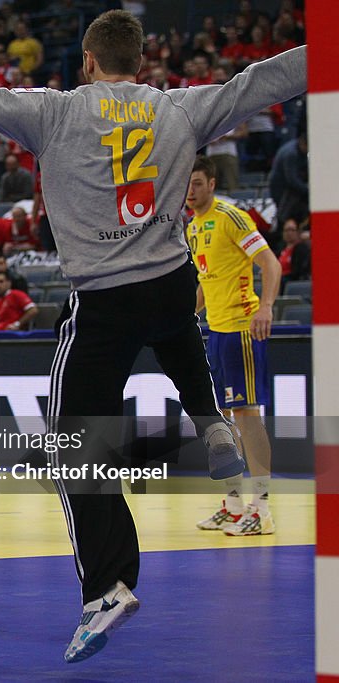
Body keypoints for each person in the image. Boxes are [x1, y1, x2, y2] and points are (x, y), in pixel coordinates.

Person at [0, 10, 305, 663]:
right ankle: (205, 416)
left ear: (87, 62)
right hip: (168, 285)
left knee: (74, 448)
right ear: (141, 58)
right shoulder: (182, 108)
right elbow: (263, 80)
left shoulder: (56, 111)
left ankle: (107, 586)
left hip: (103, 300)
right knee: (174, 340)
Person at [187, 156, 281, 536]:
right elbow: (205, 283)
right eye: (186, 185)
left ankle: (261, 508)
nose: (189, 192)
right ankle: (233, 503)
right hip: (217, 331)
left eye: (196, 184)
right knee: (223, 419)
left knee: (246, 414)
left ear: (211, 183)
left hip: (242, 328)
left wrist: (268, 307)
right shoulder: (193, 228)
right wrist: (184, 319)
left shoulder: (232, 216)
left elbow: (270, 265)